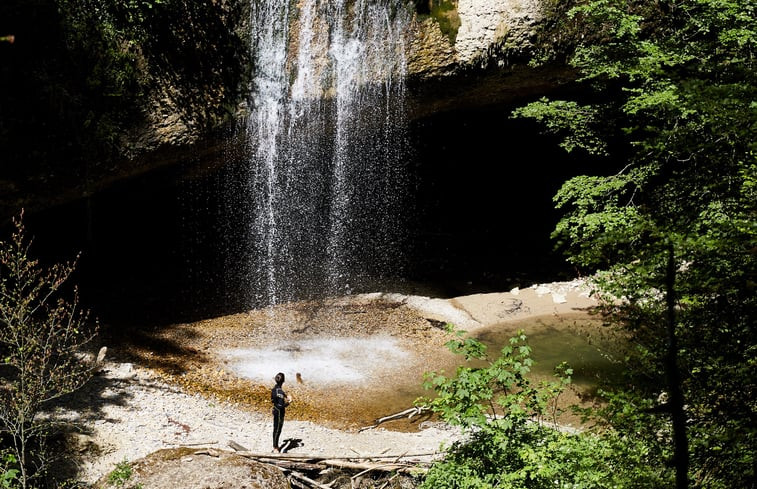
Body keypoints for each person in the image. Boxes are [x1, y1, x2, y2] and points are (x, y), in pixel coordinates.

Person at [271, 372, 291, 453]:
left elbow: (273, 399)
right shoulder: (280, 392)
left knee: (275, 428)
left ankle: (275, 445)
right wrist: (289, 402)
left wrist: (285, 396)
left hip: (275, 409)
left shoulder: (274, 389)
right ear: (283, 381)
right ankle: (275, 447)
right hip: (279, 412)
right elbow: (281, 406)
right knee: (278, 429)